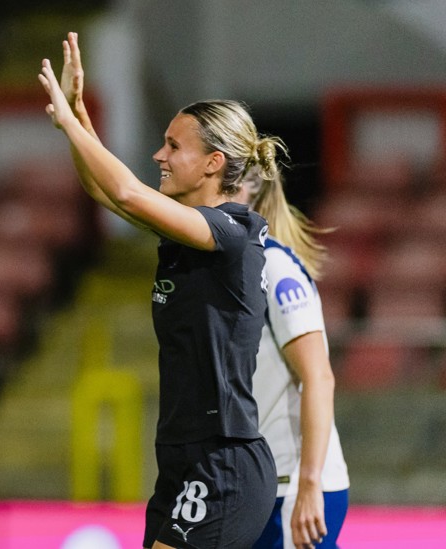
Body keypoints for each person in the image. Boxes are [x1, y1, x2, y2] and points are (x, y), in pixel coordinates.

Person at [39, 33, 279, 548]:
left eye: (173, 145)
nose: (158, 154)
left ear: (214, 163)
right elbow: (107, 193)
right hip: (182, 456)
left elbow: (125, 189)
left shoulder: (233, 233)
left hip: (223, 463)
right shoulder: (188, 233)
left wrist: (67, 120)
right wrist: (81, 115)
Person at [235, 169, 350, 549]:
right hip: (256, 485)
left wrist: (309, 484)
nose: (161, 157)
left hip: (290, 487)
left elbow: (318, 377)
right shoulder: (232, 268)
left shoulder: (275, 267)